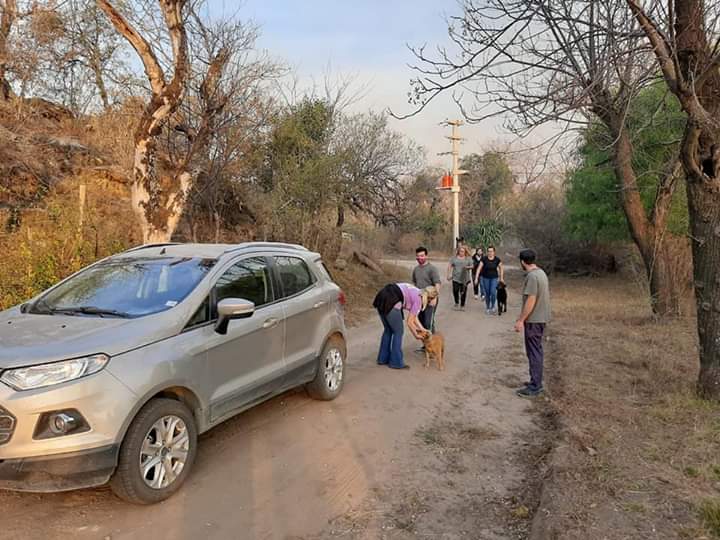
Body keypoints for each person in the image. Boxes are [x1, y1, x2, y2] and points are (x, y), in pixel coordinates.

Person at [514, 249, 551, 398]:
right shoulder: (541, 273)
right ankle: (534, 381)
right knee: (535, 351)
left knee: (534, 352)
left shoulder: (532, 277)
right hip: (541, 318)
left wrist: (521, 320)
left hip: (534, 320)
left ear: (522, 262)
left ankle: (536, 386)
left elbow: (531, 300)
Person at [373, 283, 437, 369]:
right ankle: (396, 362)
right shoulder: (419, 300)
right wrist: (416, 335)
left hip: (381, 296)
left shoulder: (417, 292)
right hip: (392, 301)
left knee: (388, 329)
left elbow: (414, 316)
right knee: (398, 332)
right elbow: (410, 321)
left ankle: (383, 359)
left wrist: (422, 328)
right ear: (429, 298)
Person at [412, 246, 442, 333]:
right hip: (419, 299)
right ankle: (425, 344)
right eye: (418, 256)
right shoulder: (416, 269)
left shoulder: (432, 269)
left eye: (422, 256)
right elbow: (414, 284)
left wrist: (434, 298)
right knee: (421, 322)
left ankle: (432, 344)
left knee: (428, 322)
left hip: (430, 298)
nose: (419, 258)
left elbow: (437, 283)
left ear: (426, 256)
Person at [474, 245, 504, 314]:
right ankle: (487, 307)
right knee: (487, 293)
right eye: (489, 251)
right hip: (485, 278)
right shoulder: (484, 259)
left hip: (494, 278)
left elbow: (501, 268)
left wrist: (501, 278)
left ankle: (493, 306)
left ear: (494, 252)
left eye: (491, 251)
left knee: (493, 292)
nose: (490, 253)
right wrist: (476, 278)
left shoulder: (497, 259)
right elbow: (479, 268)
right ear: (487, 252)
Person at [447, 245, 473, 310]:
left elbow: (472, 266)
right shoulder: (454, 258)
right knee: (455, 290)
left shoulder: (468, 258)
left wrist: (467, 267)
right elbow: (450, 266)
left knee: (463, 291)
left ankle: (462, 305)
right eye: (460, 251)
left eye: (463, 251)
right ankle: (456, 302)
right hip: (455, 277)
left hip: (464, 278)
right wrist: (448, 274)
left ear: (465, 252)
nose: (461, 253)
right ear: (458, 251)